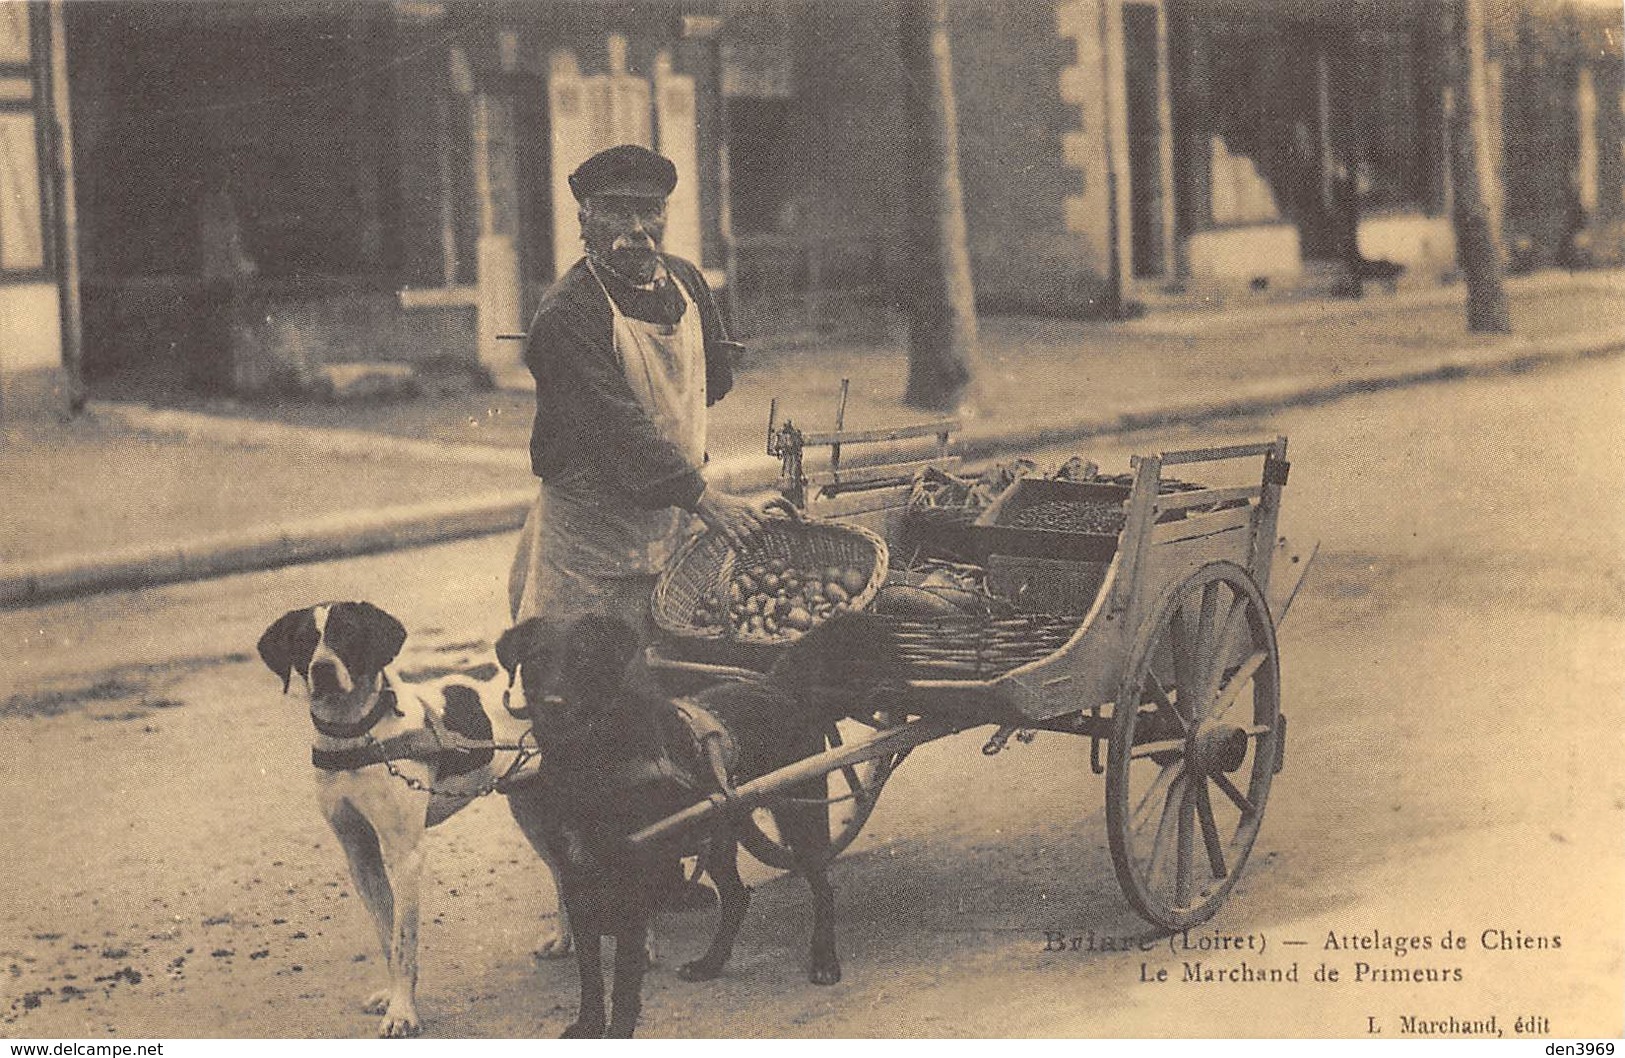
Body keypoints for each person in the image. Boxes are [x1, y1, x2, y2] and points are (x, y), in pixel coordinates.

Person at [509, 144, 761, 913]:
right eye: (614, 212)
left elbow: (715, 374)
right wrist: (699, 493)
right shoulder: (568, 313)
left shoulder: (684, 282)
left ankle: (663, 868)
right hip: (591, 533)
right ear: (583, 220)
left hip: (667, 517)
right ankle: (588, 888)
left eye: (648, 211)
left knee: (663, 702)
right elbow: (612, 423)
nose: (635, 229)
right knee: (584, 704)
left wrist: (684, 476)